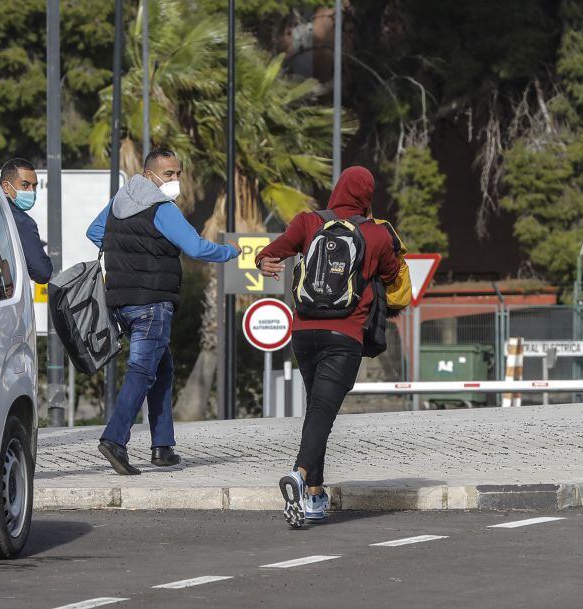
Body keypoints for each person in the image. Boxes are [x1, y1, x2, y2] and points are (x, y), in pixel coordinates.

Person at [255, 166, 405, 527]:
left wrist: (264, 261)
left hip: (304, 332)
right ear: (367, 196)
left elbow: (272, 252)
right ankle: (299, 474)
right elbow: (392, 275)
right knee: (323, 411)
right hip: (345, 335)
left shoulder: (308, 222)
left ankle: (315, 494)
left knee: (316, 411)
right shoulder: (377, 234)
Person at [86, 147, 240, 475]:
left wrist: (128, 252)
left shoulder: (118, 202)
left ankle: (162, 447)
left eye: (178, 173)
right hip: (153, 303)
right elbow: (196, 247)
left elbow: (95, 233)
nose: (175, 180)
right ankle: (115, 439)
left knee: (163, 368)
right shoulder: (161, 208)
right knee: (142, 370)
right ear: (150, 174)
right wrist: (230, 252)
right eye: (169, 174)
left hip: (122, 304)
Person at [0, 158, 53, 284]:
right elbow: (42, 273)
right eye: (25, 185)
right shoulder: (22, 222)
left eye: (34, 186)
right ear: (6, 187)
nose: (31, 192)